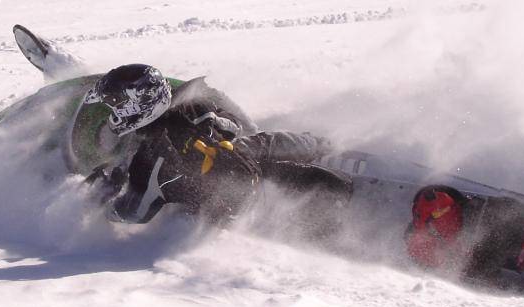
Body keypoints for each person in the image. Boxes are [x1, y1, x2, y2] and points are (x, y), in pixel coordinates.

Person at [82, 63, 352, 227]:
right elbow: (232, 126)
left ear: (139, 105)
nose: (112, 111)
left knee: (257, 151)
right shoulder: (193, 107)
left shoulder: (148, 160)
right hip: (237, 161)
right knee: (264, 142)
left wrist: (100, 195)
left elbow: (134, 215)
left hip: (220, 211)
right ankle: (324, 146)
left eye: (116, 104)